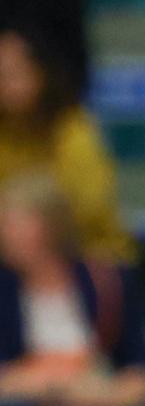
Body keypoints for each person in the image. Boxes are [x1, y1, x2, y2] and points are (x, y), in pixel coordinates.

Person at [0, 173, 145, 406]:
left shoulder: (108, 282)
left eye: (11, 223)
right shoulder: (5, 291)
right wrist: (52, 384)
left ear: (48, 227)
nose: (4, 233)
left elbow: (141, 374)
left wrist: (101, 397)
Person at [0, 27, 135, 265]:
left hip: (86, 257)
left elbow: (90, 207)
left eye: (13, 74)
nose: (4, 84)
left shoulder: (72, 128)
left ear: (41, 73)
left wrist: (30, 218)